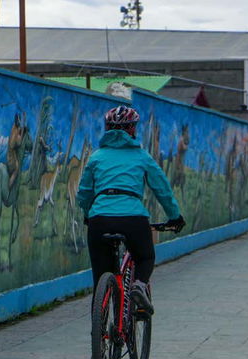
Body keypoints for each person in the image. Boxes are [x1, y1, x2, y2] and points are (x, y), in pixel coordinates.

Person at [77, 106, 184, 314]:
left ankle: (100, 329)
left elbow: (84, 193)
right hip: (133, 218)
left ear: (107, 129)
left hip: (100, 219)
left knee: (101, 276)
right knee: (145, 257)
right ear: (133, 130)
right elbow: (162, 189)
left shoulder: (96, 157)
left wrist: (89, 214)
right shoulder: (141, 157)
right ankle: (139, 287)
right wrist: (174, 216)